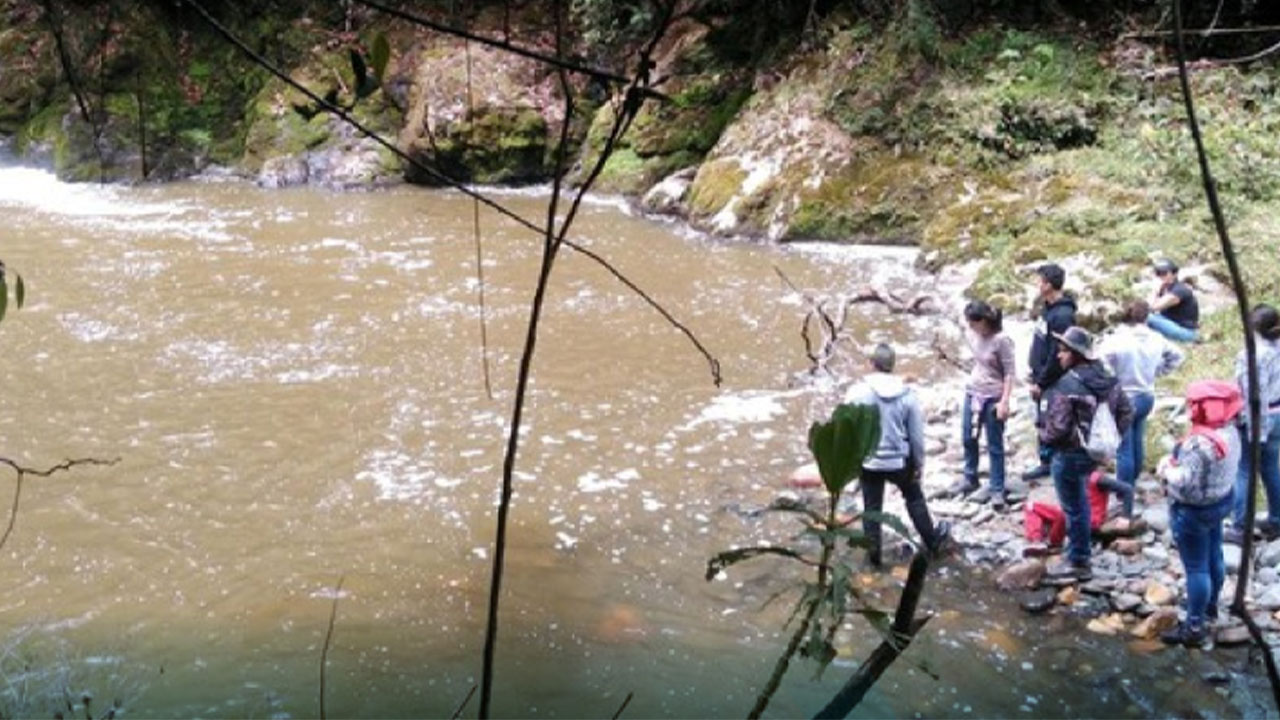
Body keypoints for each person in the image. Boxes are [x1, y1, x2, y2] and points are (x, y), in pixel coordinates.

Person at [1039, 327, 1134, 581]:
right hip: (1094, 454)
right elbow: (1127, 411)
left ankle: (1078, 558)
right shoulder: (1108, 379)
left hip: (1069, 454)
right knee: (1080, 500)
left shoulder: (1067, 384)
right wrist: (1112, 440)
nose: (1059, 355)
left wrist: (1043, 437)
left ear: (1075, 354)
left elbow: (1058, 428)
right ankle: (1080, 552)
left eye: (1063, 350)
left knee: (1075, 506)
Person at [846, 343, 951, 566]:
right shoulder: (907, 394)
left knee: (871, 508)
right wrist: (919, 464)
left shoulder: (856, 392)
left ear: (871, 364)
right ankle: (932, 542)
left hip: (869, 460)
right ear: (892, 366)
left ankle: (873, 559)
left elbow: (848, 428)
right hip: (899, 461)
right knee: (913, 497)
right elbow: (916, 437)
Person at [1158, 380, 1242, 648]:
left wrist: (1164, 468)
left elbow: (1183, 479)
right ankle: (1211, 606)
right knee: (1214, 554)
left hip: (1193, 510)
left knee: (1196, 568)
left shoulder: (1199, 443)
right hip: (1221, 501)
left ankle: (1194, 624)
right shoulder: (1232, 432)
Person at [1100, 300, 1185, 522]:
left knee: (1123, 448)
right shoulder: (1157, 338)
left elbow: (1100, 360)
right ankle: (1133, 480)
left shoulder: (1117, 339)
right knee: (1137, 438)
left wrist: (1112, 379)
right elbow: (1178, 356)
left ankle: (1123, 492)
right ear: (1147, 317)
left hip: (1124, 394)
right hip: (1147, 394)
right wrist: (1159, 371)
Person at [951, 300, 1017, 509]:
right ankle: (970, 477)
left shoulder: (1001, 340)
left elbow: (1010, 373)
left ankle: (997, 487)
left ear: (984, 321)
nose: (970, 326)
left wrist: (1005, 401)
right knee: (968, 437)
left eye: (973, 323)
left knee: (994, 444)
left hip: (993, 396)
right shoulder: (973, 334)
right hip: (973, 391)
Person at [1226, 304, 1280, 545]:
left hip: (1258, 416)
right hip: (1278, 412)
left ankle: (1240, 527)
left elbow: (1250, 393)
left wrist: (1249, 424)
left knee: (1244, 469)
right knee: (1270, 468)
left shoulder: (1252, 354)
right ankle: (1276, 520)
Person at [1023, 263, 1078, 482]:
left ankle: (1053, 463)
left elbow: (1058, 353)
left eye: (1040, 280)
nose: (1037, 284)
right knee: (1043, 419)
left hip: (1053, 379)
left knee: (1053, 420)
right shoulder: (1047, 308)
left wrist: (1042, 382)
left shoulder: (1063, 315)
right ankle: (1046, 461)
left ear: (1048, 285)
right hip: (1040, 373)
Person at [1023, 469, 1135, 557]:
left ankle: (1046, 542)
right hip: (1071, 516)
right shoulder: (1072, 474)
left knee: (1057, 514)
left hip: (1087, 521)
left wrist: (1126, 516)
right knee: (1031, 506)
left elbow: (1127, 489)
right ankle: (1039, 541)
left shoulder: (1097, 478)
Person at [1147, 259, 1199, 343]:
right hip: (1172, 324)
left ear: (1174, 274)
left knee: (1148, 317)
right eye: (1158, 273)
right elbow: (1146, 307)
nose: (1161, 276)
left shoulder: (1180, 290)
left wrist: (1155, 291)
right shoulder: (1165, 288)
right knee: (1141, 317)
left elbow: (1153, 307)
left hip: (1186, 331)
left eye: (1164, 273)